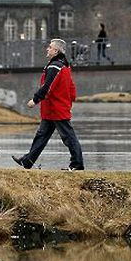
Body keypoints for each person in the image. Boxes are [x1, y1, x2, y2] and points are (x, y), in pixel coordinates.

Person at [12, 38, 84, 171]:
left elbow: (47, 86)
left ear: (56, 51)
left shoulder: (55, 66)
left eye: (50, 47)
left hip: (56, 109)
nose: (47, 49)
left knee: (68, 137)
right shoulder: (64, 65)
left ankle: (77, 164)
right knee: (41, 136)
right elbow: (71, 86)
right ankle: (27, 161)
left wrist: (35, 99)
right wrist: (71, 99)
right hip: (52, 109)